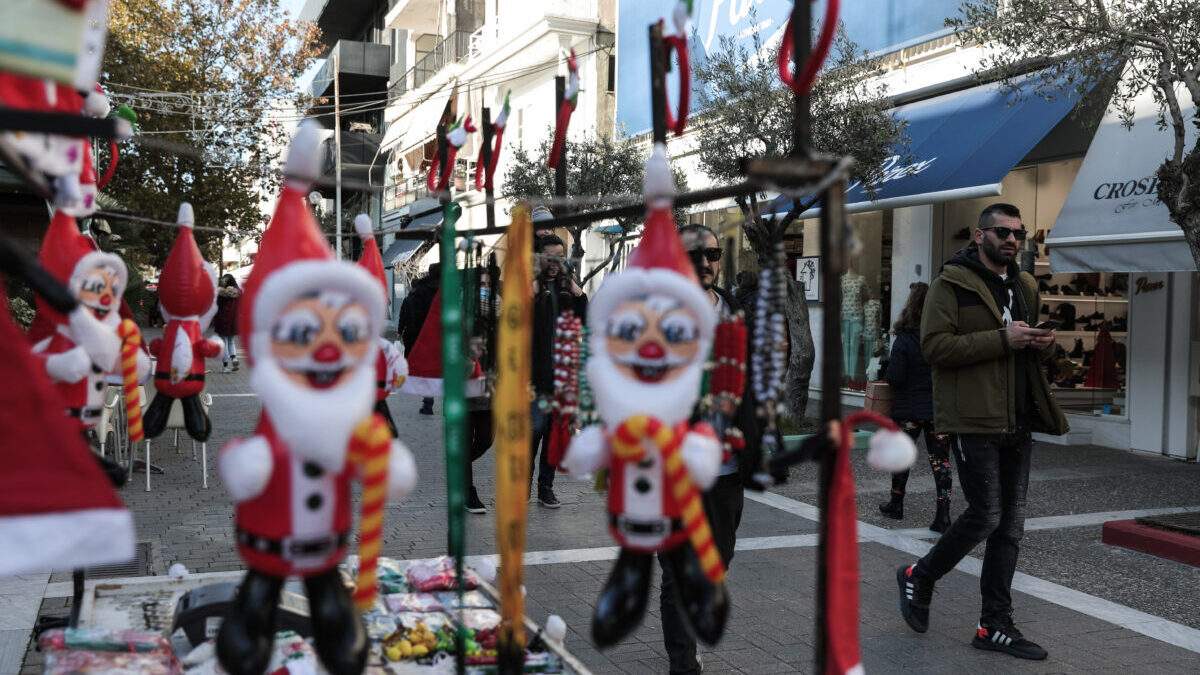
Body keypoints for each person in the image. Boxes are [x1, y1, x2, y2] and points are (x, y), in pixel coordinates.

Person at [896, 203, 1067, 661]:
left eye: (1018, 233)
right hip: (974, 418)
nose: (1012, 240)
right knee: (987, 514)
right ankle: (919, 576)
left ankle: (995, 625)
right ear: (980, 235)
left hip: (1019, 418)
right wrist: (1003, 339)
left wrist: (1043, 344)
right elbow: (935, 348)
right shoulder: (950, 284)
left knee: (1010, 527)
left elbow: (1029, 354)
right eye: (1003, 232)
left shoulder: (1026, 285)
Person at [657, 223, 761, 675]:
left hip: (726, 467)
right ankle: (683, 663)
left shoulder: (737, 313)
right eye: (693, 255)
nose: (704, 263)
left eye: (712, 255)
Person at [878, 282, 953, 532]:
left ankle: (896, 504)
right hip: (938, 409)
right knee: (940, 462)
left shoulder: (904, 339)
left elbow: (895, 377)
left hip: (908, 410)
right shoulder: (942, 338)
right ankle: (943, 515)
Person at [530, 230, 587, 508]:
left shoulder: (567, 290)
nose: (555, 263)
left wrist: (579, 292)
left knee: (554, 434)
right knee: (533, 433)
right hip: (535, 377)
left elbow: (585, 321)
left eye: (560, 257)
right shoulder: (530, 288)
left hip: (562, 376)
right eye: (549, 257)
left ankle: (546, 488)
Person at [465, 269, 497, 514]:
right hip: (465, 389)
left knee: (486, 439)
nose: (485, 289)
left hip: (491, 388)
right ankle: (468, 492)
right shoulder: (461, 314)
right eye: (481, 285)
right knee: (465, 441)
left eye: (488, 284)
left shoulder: (500, 316)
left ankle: (458, 468)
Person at [398, 263, 440, 415]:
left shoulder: (419, 292)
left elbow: (410, 314)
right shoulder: (447, 290)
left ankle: (428, 401)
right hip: (441, 334)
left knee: (428, 367)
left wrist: (408, 331)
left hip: (421, 334)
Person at [214, 274, 241, 372]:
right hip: (233, 320)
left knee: (224, 343)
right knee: (231, 341)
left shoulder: (220, 293)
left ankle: (225, 366)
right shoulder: (238, 292)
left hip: (222, 320)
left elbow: (215, 306)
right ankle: (234, 358)